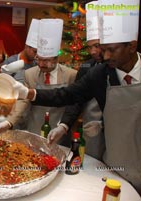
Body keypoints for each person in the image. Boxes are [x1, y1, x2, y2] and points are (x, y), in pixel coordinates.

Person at [12, 0, 140, 194]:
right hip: (115, 160)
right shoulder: (101, 73)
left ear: (131, 46)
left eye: (110, 49)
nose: (104, 56)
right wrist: (29, 93)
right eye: (101, 48)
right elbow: (69, 95)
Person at [0, 19, 77, 146]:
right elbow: (24, 100)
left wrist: (64, 126)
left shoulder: (71, 75)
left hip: (58, 133)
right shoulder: (30, 74)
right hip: (34, 130)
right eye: (39, 59)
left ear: (56, 59)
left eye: (46, 61)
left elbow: (75, 104)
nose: (41, 64)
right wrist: (9, 122)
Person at [48, 1, 105, 160]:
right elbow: (75, 99)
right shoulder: (87, 67)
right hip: (92, 134)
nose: (93, 51)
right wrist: (63, 125)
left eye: (98, 46)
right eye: (90, 47)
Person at [0, 18, 38, 83]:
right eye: (35, 51)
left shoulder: (37, 64)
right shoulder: (11, 61)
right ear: (26, 47)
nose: (36, 55)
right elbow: (2, 83)